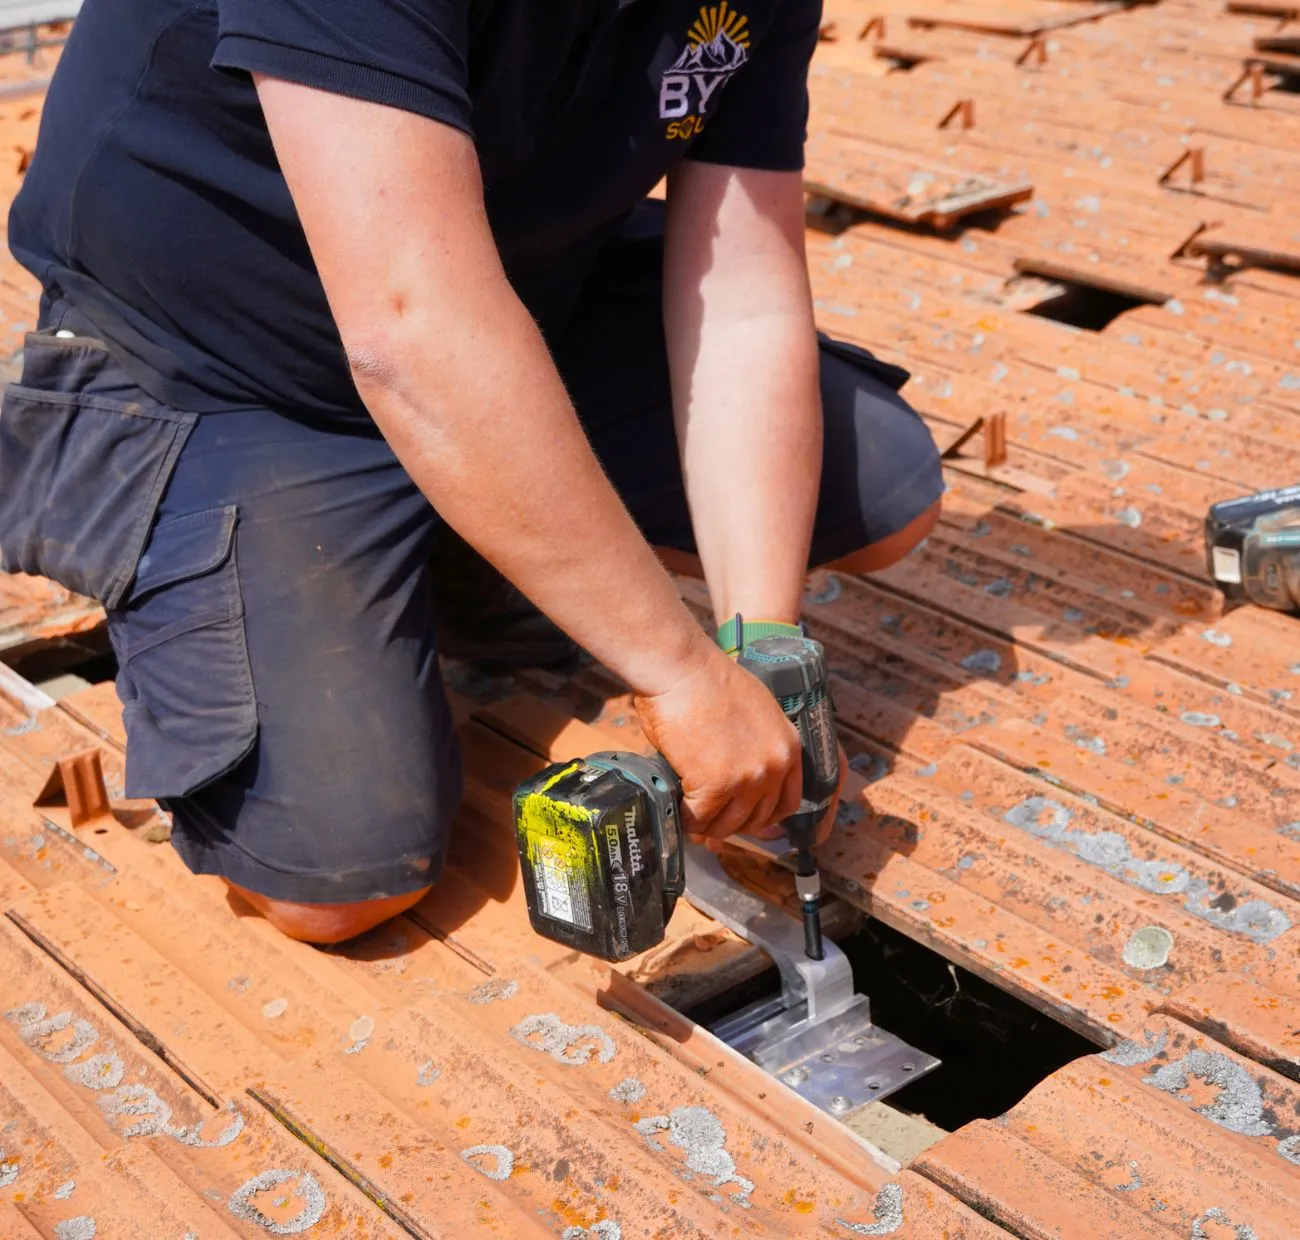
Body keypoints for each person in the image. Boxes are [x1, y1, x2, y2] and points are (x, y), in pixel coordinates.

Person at [0, 0, 942, 944]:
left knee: (880, 487)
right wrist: (685, 678)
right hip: (223, 360)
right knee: (335, 888)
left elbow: (741, 301)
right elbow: (411, 329)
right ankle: (416, 514)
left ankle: (465, 521)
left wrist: (760, 648)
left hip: (506, 293)